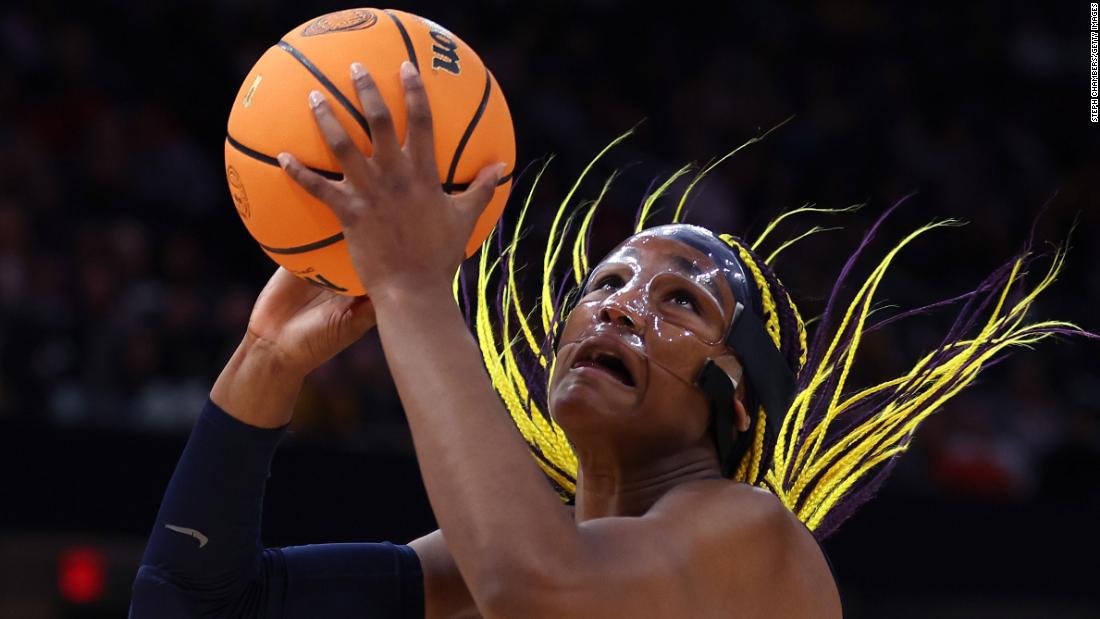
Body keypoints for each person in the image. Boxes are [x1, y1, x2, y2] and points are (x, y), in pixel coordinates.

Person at [131, 60, 1090, 617]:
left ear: (737, 395)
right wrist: (267, 360)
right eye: (608, 282)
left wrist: (417, 286)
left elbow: (536, 585)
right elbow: (192, 602)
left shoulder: (753, 539)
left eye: (685, 303)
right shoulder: (489, 560)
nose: (621, 305)